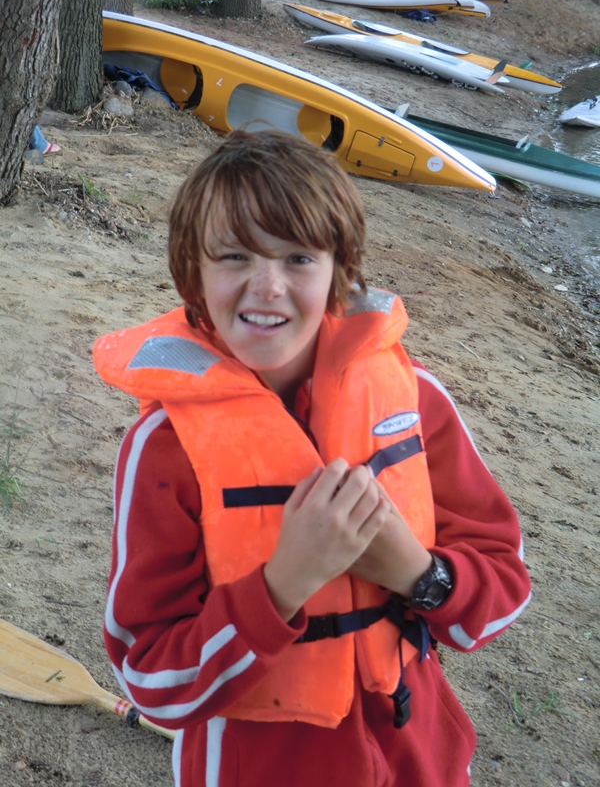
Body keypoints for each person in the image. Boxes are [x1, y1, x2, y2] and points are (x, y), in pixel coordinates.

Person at [93, 128, 531, 787]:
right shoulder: (164, 448)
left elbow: (503, 589)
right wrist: (283, 584)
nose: (267, 287)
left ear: (338, 271)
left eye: (298, 257)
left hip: (420, 755)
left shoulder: (414, 400)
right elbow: (151, 678)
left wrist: (416, 573)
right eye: (235, 256)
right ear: (192, 272)